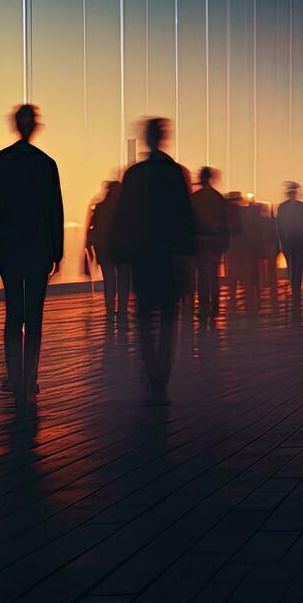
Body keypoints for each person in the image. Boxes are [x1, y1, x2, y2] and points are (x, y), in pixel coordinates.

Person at [0, 104, 64, 409]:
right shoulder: (46, 164)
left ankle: (14, 378)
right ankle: (30, 378)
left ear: (14, 125)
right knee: (34, 315)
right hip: (39, 247)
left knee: (14, 313)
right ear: (34, 127)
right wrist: (58, 251)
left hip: (9, 246)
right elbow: (55, 211)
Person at [111, 118, 194, 405]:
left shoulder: (134, 175)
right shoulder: (175, 173)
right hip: (169, 254)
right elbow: (185, 215)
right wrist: (187, 254)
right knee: (169, 316)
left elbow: (125, 215)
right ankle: (162, 377)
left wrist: (120, 251)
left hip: (143, 253)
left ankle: (151, 374)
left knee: (145, 316)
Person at [191, 167, 230, 323]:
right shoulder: (218, 198)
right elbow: (224, 221)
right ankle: (214, 308)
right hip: (215, 240)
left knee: (201, 276)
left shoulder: (195, 198)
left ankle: (203, 308)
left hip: (200, 240)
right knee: (213, 274)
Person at [87, 179, 128, 326]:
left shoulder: (99, 207)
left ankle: (110, 310)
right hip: (121, 249)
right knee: (123, 280)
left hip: (103, 248)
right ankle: (121, 311)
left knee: (109, 280)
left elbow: (93, 228)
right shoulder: (124, 210)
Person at [276, 183, 303, 301]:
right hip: (299, 240)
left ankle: (294, 287)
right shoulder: (302, 206)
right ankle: (296, 288)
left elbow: (279, 226)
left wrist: (280, 241)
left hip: (287, 240)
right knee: (298, 264)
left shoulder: (282, 207)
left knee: (291, 264)